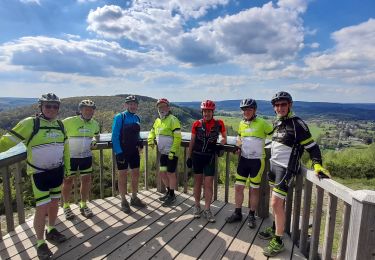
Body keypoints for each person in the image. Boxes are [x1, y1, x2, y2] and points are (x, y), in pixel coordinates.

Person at [259, 91, 331, 257]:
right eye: (277, 105)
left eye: (283, 104)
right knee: (277, 202)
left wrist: (317, 165)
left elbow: (313, 147)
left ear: (290, 105)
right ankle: (277, 226)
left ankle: (278, 241)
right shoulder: (278, 122)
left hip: (286, 169)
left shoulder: (297, 124)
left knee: (276, 203)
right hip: (274, 166)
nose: (280, 107)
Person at [0, 93, 69, 259]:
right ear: (41, 107)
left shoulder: (60, 125)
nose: (51, 109)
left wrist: (68, 167)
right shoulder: (31, 123)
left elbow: (65, 148)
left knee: (54, 203)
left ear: (58, 108)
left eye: (55, 106)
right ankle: (40, 243)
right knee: (41, 207)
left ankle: (51, 229)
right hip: (39, 173)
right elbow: (7, 141)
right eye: (48, 106)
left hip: (57, 171)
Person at [225, 98, 273, 228]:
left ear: (255, 110)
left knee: (254, 189)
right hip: (244, 160)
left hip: (257, 161)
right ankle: (238, 213)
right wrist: (238, 146)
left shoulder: (262, 123)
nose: (246, 111)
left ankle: (251, 215)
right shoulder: (241, 123)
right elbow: (240, 137)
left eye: (249, 109)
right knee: (238, 187)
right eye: (244, 109)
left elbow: (275, 133)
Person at [186, 100, 227, 223]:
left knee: (208, 184)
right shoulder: (196, 124)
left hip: (209, 157)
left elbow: (224, 136)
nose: (206, 113)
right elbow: (192, 141)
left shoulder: (219, 124)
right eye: (205, 111)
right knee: (197, 183)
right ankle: (197, 206)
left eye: (209, 111)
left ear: (212, 112)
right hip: (197, 157)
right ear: (202, 111)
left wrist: (221, 143)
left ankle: (207, 209)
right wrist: (189, 157)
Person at [61, 99, 100, 220]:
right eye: (86, 109)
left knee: (86, 180)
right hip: (70, 157)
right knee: (68, 181)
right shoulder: (69, 121)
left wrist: (94, 140)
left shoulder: (94, 124)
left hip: (86, 156)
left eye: (91, 110)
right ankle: (66, 206)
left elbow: (97, 136)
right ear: (80, 110)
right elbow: (57, 131)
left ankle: (83, 204)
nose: (89, 112)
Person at [112, 95, 146, 213]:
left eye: (135, 104)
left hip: (134, 151)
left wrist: (140, 141)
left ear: (137, 106)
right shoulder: (120, 117)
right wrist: (119, 152)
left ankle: (134, 197)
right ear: (126, 105)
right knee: (122, 175)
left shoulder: (137, 117)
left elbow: (137, 134)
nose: (133, 106)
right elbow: (114, 136)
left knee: (135, 174)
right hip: (122, 151)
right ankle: (123, 200)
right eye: (130, 104)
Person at [148, 98, 182, 206]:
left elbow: (177, 138)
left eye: (163, 106)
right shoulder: (158, 121)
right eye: (159, 107)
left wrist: (172, 151)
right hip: (163, 154)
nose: (161, 109)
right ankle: (168, 192)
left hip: (172, 154)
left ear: (168, 108)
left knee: (170, 173)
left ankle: (172, 195)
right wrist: (150, 140)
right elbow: (152, 132)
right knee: (162, 172)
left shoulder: (173, 119)